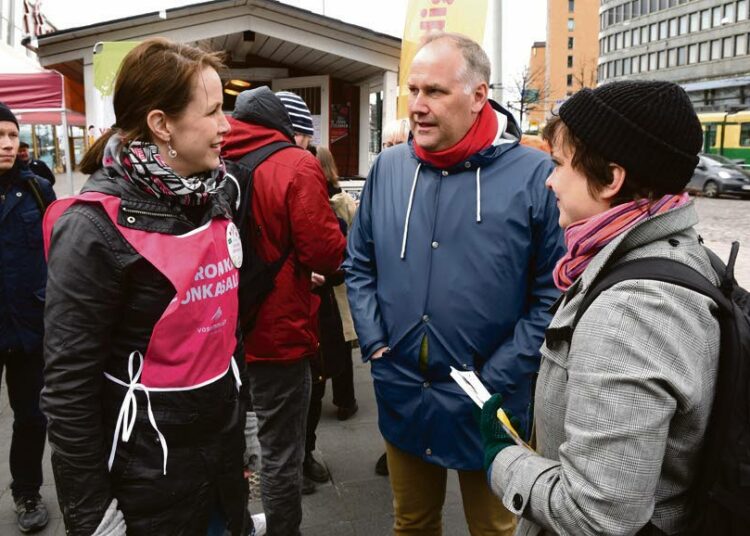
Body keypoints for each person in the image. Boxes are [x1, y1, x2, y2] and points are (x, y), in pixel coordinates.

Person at [344, 32, 564, 535]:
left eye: (435, 92)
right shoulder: (389, 169)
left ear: (478, 96)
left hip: (491, 399)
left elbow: (554, 291)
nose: (417, 106)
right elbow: (359, 262)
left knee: (494, 530)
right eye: (413, 91)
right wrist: (375, 342)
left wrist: (500, 374)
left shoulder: (535, 176)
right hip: (404, 389)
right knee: (413, 523)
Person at [481, 81, 719, 535]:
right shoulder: (677, 253)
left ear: (611, 179)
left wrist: (503, 460)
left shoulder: (631, 313)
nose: (549, 180)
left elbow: (597, 515)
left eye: (558, 165)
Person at [42, 38, 256, 536]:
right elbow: (68, 390)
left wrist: (243, 426)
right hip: (144, 485)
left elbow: (223, 327)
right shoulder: (92, 229)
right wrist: (92, 515)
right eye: (212, 112)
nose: (227, 125)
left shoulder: (214, 194)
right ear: (162, 125)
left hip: (220, 468)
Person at [222, 87, 346, 536]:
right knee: (280, 451)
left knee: (226, 444)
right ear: (285, 126)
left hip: (218, 332)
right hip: (278, 331)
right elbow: (326, 252)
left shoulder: (211, 156)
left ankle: (236, 524)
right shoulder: (295, 165)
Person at [0, 102, 56, 533]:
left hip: (29, 328)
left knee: (32, 416)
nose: (5, 144)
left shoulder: (38, 189)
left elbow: (57, 253)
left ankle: (27, 491)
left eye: (11, 136)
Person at [300, 146, 359, 494]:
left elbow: (345, 254)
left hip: (327, 300)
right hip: (301, 304)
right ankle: (299, 457)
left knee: (325, 365)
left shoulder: (336, 204)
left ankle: (305, 451)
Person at [371, 118, 410, 478]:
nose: (393, 151)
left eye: (400, 143)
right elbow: (360, 259)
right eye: (387, 144)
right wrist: (372, 338)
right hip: (389, 335)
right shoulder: (380, 183)